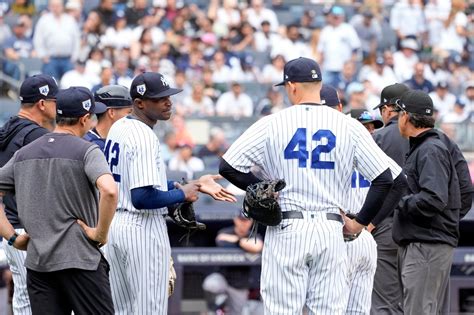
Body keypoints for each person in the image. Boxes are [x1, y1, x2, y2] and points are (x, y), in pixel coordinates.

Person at [219, 57, 401, 314]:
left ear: (292, 86)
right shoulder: (348, 125)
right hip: (331, 229)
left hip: (287, 225)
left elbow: (227, 166)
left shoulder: (273, 122)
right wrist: (359, 223)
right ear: (319, 83)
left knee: (283, 310)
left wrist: (264, 188)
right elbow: (385, 179)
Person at [104, 72, 236, 314]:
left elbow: (140, 182)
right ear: (139, 103)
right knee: (149, 310)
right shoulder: (144, 136)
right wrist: (182, 194)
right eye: (159, 98)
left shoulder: (119, 127)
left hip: (115, 227)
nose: (168, 102)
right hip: (140, 228)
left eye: (168, 96)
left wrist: (192, 184)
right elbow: (142, 198)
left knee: (121, 310)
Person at [0, 86, 118, 314]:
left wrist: (12, 237)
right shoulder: (87, 150)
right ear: (84, 118)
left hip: (39, 263)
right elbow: (110, 191)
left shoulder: (24, 153)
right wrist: (100, 233)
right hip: (81, 260)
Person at [392, 90, 470, 314]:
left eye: (399, 114)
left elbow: (434, 198)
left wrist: (401, 203)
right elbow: (463, 192)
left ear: (406, 116)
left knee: (419, 311)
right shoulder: (433, 146)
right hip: (429, 241)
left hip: (426, 243)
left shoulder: (430, 149)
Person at [0, 74, 59, 315]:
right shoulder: (37, 137)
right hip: (32, 232)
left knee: (24, 297)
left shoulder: (6, 130)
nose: (58, 106)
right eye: (55, 100)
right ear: (42, 104)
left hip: (11, 230)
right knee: (42, 299)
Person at [370, 83, 409, 314]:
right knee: (417, 301)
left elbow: (369, 186)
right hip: (423, 226)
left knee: (385, 301)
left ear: (387, 109)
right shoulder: (435, 136)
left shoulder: (379, 137)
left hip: (386, 224)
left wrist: (369, 221)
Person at [202, 213, 264, 315]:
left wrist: (237, 241)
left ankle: (223, 308)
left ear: (251, 222)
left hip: (240, 285)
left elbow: (257, 247)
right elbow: (220, 239)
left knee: (237, 312)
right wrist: (244, 245)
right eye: (241, 220)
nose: (243, 223)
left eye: (246, 221)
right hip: (223, 279)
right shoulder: (226, 231)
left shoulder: (254, 235)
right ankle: (213, 310)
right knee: (211, 284)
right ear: (236, 220)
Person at [84, 85, 133, 151]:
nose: (131, 117)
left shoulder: (123, 140)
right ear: (112, 113)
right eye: (129, 112)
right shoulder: (89, 145)